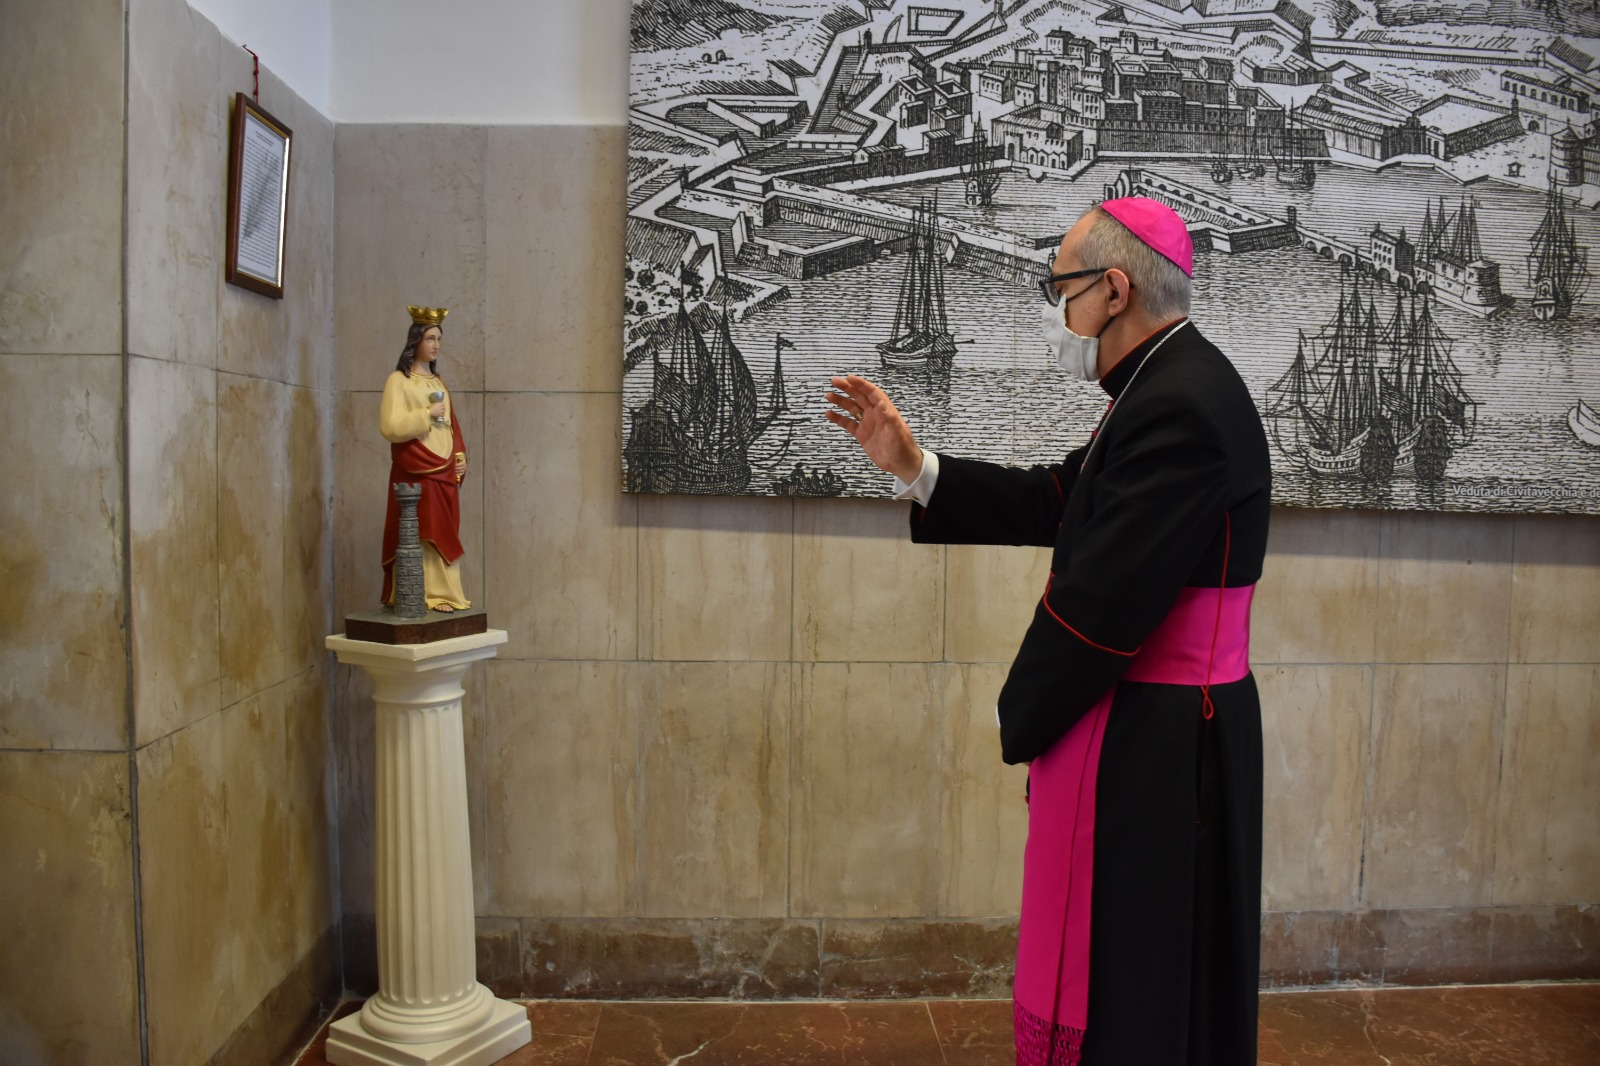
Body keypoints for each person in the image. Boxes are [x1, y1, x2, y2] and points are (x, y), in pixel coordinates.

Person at [827, 198, 1271, 1066]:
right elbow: (1063, 499)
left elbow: (1102, 602)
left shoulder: (1178, 402)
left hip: (1166, 742)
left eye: (1060, 287)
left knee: (1139, 977)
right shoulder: (1167, 382)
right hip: (1173, 733)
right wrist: (916, 468)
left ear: (1114, 290)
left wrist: (1020, 713)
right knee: (1155, 967)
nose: (1053, 310)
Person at [380, 306, 470, 612]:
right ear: (416, 340)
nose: (436, 345)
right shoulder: (399, 381)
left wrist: (459, 455)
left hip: (444, 468)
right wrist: (425, 414)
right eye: (430, 338)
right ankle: (427, 594)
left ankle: (448, 592)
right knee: (421, 528)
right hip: (416, 466)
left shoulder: (437, 381)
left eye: (439, 340)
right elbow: (390, 426)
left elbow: (452, 425)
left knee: (445, 527)